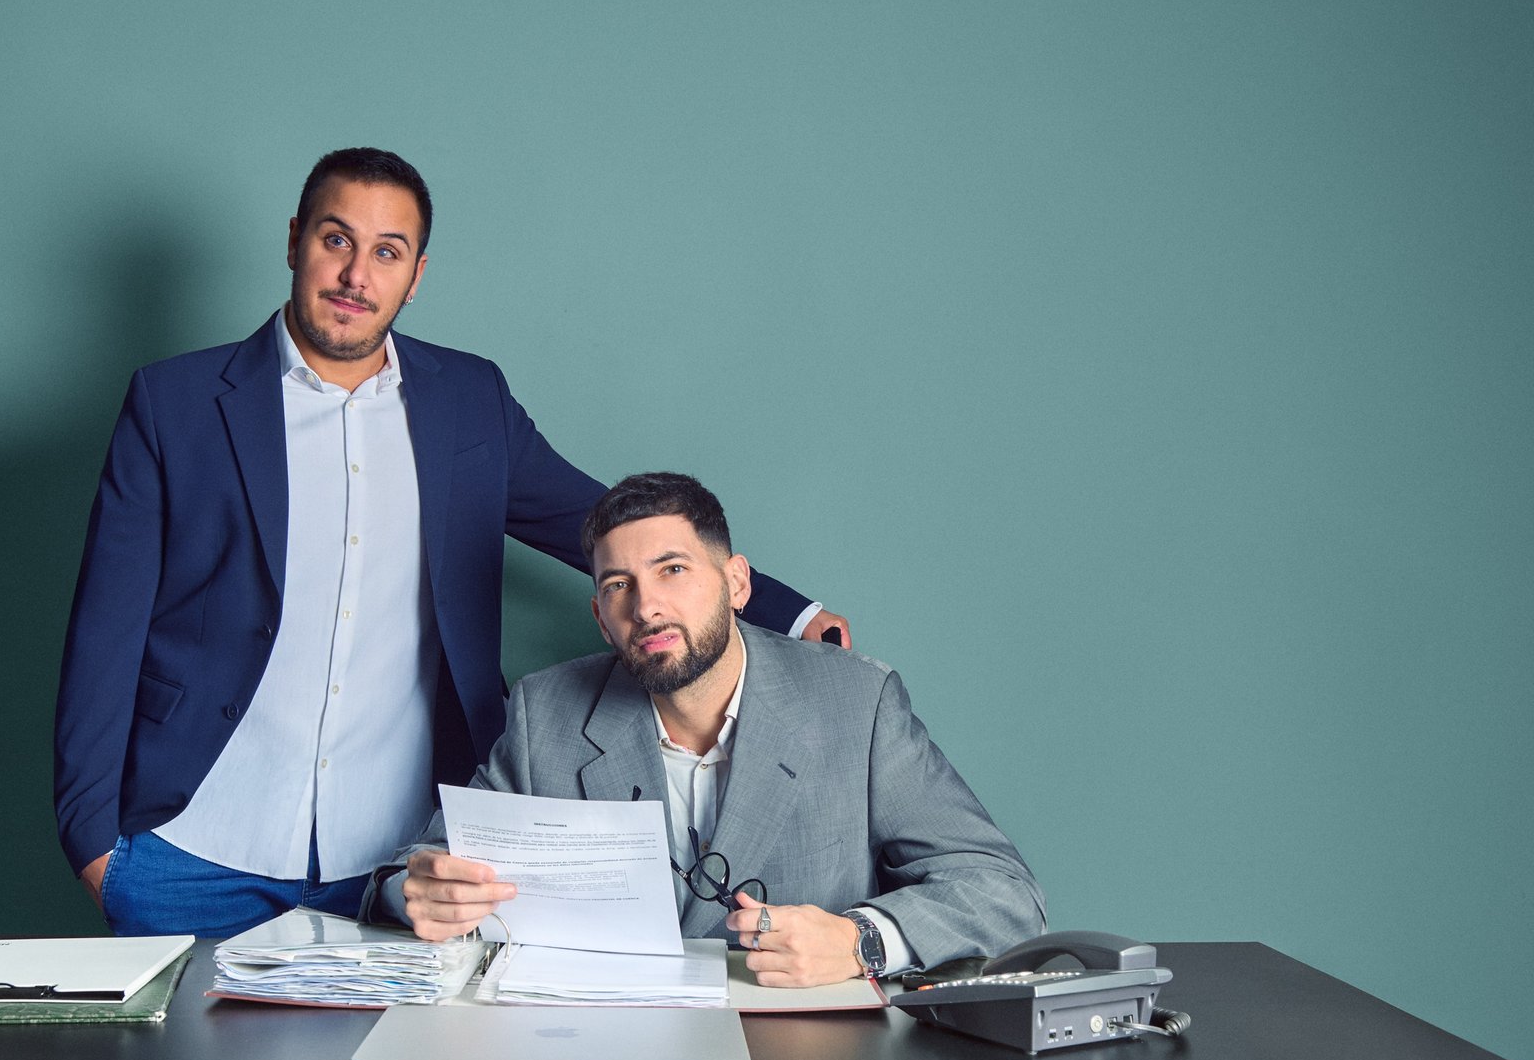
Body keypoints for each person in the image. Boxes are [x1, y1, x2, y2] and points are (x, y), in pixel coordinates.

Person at [54, 149, 850, 938]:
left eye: (386, 253)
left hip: (403, 867)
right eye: (336, 240)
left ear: (417, 274)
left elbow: (605, 523)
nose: (355, 275)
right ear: (296, 240)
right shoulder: (176, 404)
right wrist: (94, 845)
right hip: (191, 850)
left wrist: (789, 611)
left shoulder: (469, 402)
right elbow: (106, 628)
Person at [373, 472, 1043, 985]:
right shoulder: (542, 712)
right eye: (617, 585)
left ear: (736, 583)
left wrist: (861, 940)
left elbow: (1003, 892)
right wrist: (417, 893)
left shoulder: (857, 701)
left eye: (672, 570)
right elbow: (416, 865)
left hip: (810, 1059)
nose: (647, 606)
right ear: (602, 618)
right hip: (607, 1059)